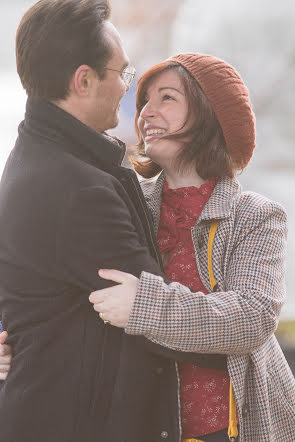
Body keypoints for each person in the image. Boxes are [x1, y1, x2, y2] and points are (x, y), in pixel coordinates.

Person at [0, 1, 204, 441]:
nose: (127, 91)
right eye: (122, 74)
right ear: (84, 80)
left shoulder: (38, 157)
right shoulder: (76, 190)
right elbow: (161, 322)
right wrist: (248, 335)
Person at [87, 54, 295, 441]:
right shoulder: (123, 203)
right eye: (144, 100)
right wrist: (17, 342)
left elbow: (251, 318)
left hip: (232, 429)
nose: (146, 111)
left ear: (209, 115)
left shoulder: (256, 216)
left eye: (167, 98)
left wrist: (144, 305)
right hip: (142, 424)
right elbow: (71, 282)